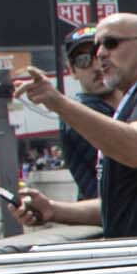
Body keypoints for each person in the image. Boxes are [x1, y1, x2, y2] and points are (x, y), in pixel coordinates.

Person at [8, 16, 137, 240]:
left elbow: (136, 149)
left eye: (110, 43)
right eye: (98, 47)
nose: (100, 54)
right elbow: (120, 205)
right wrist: (53, 209)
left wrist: (58, 103)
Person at [54, 31, 111, 194]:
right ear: (71, 70)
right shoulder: (79, 114)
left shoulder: (135, 101)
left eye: (102, 55)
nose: (97, 66)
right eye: (84, 60)